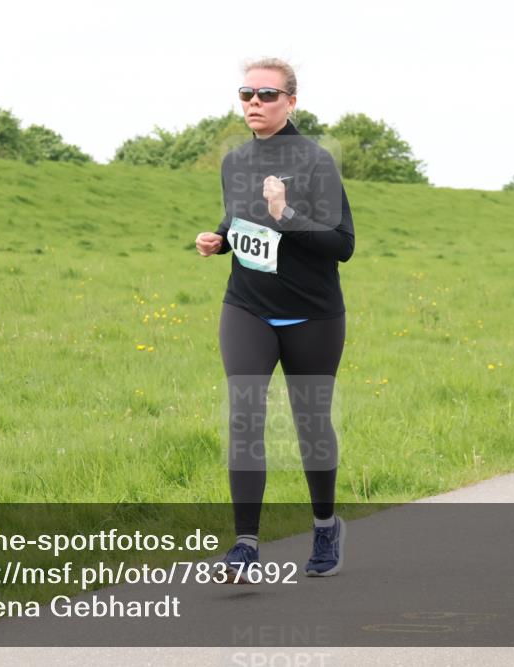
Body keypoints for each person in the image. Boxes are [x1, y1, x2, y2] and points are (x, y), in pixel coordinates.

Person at [195, 57, 355, 584]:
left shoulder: (316, 162)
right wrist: (217, 241)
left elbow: (343, 246)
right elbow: (238, 219)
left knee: (311, 425)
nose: (254, 104)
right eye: (246, 94)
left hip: (311, 313)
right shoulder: (235, 161)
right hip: (247, 305)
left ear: (291, 101)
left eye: (266, 95)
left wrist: (287, 216)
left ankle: (326, 525)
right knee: (245, 417)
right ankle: (244, 547)